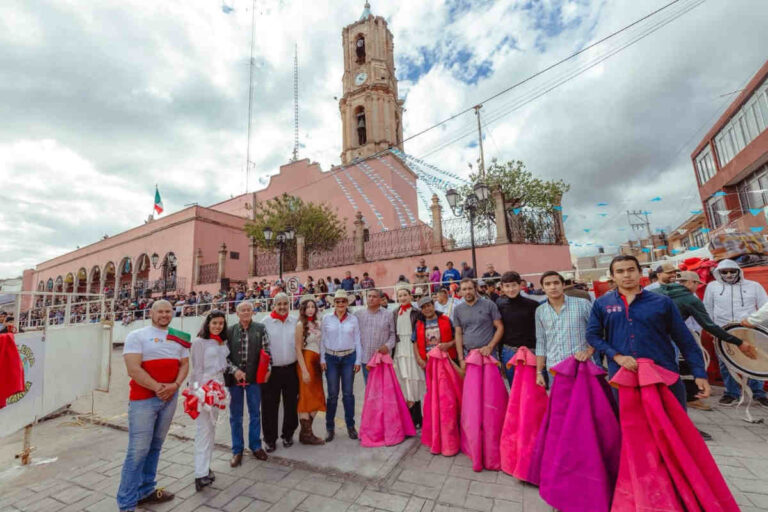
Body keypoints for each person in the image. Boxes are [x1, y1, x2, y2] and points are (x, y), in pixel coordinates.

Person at [586, 255, 710, 409]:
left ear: (640, 273)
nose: (626, 275)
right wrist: (617, 356)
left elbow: (684, 339)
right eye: (620, 271)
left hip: (662, 372)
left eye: (631, 270)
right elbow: (593, 335)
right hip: (623, 375)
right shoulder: (602, 304)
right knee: (630, 421)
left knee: (671, 419)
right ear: (612, 276)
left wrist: (699, 373)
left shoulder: (662, 302)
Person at [117, 300, 189, 512]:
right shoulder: (136, 336)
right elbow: (133, 369)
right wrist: (158, 388)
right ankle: (126, 503)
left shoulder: (179, 337)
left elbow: (185, 364)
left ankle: (146, 490)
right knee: (138, 450)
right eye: (160, 311)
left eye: (168, 311)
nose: (164, 315)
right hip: (143, 400)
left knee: (155, 446)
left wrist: (175, 385)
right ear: (151, 313)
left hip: (169, 398)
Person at [655, 271, 757, 413]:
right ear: (691, 283)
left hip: (644, 340)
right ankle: (674, 409)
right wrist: (738, 342)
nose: (697, 288)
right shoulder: (689, 299)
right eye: (697, 284)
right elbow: (709, 326)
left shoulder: (655, 292)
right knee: (672, 373)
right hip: (666, 340)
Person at [703, 258, 768, 406]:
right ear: (718, 273)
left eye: (732, 271)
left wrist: (757, 325)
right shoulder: (712, 287)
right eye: (724, 272)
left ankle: (759, 393)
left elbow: (765, 306)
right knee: (725, 362)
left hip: (748, 329)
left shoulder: (754, 286)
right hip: (722, 330)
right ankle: (731, 393)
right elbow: (707, 308)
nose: (729, 274)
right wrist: (710, 328)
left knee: (753, 359)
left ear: (738, 271)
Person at [225, 301, 271, 467]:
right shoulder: (229, 331)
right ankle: (237, 450)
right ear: (237, 313)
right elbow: (224, 356)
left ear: (253, 312)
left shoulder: (260, 328)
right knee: (235, 416)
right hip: (235, 379)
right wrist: (235, 370)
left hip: (253, 378)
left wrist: (268, 369)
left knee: (255, 413)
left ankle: (256, 446)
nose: (245, 312)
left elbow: (267, 352)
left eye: (248, 310)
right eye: (242, 310)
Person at [190, 310, 229, 491]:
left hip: (218, 387)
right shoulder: (199, 342)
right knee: (203, 430)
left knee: (211, 429)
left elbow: (223, 366)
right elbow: (196, 369)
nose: (218, 326)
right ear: (207, 324)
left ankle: (205, 467)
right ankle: (200, 474)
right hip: (204, 388)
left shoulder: (221, 341)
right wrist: (196, 392)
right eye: (214, 323)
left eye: (221, 323)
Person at [534, 272, 594, 384]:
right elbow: (541, 342)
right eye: (548, 284)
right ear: (543, 288)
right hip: (554, 369)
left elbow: (596, 331)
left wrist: (589, 351)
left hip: (580, 366)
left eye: (556, 283)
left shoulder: (583, 304)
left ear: (563, 285)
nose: (553, 287)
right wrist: (539, 372)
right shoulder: (540, 311)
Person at [321, 289, 362, 442]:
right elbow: (322, 340)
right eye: (337, 301)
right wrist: (322, 359)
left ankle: (350, 426)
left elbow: (357, 340)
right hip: (331, 358)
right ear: (334, 303)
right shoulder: (326, 318)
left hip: (348, 358)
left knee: (348, 394)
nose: (340, 304)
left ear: (347, 303)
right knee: (332, 395)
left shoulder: (353, 319)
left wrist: (358, 360)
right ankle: (329, 427)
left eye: (343, 301)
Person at [261, 293, 299, 452]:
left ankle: (288, 434)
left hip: (291, 369)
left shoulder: (295, 321)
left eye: (285, 304)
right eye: (279, 304)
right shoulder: (265, 323)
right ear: (274, 305)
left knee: (291, 404)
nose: (282, 307)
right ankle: (270, 439)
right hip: (272, 371)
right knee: (269, 406)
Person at [496, 271, 540, 385]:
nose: (511, 289)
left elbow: (540, 331)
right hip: (509, 352)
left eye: (514, 285)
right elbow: (499, 331)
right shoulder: (499, 306)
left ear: (520, 285)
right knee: (514, 388)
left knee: (532, 388)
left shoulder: (533, 305)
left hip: (531, 351)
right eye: (507, 286)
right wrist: (500, 357)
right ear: (502, 288)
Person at [393, 285, 426, 427]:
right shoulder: (395, 313)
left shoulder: (417, 312)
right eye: (400, 296)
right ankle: (410, 416)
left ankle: (419, 415)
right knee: (405, 380)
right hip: (400, 349)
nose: (403, 298)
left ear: (410, 296)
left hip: (413, 348)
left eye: (405, 295)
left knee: (416, 380)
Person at [294, 295, 325, 445]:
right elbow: (298, 349)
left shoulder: (318, 323)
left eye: (313, 307)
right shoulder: (300, 325)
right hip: (306, 361)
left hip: (317, 361)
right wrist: (304, 370)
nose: (311, 309)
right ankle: (307, 434)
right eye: (308, 307)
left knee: (317, 396)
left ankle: (305, 433)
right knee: (306, 396)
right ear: (303, 309)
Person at [454, 278, 504, 369]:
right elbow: (458, 334)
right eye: (464, 289)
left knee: (491, 379)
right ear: (460, 292)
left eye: (470, 288)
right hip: (469, 354)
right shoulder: (458, 310)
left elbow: (500, 327)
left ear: (475, 288)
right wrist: (461, 358)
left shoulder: (489, 305)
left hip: (488, 353)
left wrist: (490, 346)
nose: (467, 292)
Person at [356, 288, 396, 383]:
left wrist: (387, 346)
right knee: (369, 387)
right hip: (366, 359)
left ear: (379, 299)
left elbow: (393, 334)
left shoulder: (388, 314)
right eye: (369, 296)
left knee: (384, 387)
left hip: (382, 358)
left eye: (374, 296)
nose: (371, 299)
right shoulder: (358, 315)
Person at [412, 295, 456, 367]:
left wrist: (449, 344)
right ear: (421, 310)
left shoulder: (446, 320)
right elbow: (415, 342)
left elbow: (457, 337)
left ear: (433, 305)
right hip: (428, 361)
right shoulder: (418, 324)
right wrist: (419, 359)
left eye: (428, 305)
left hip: (447, 360)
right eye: (423, 307)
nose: (427, 309)